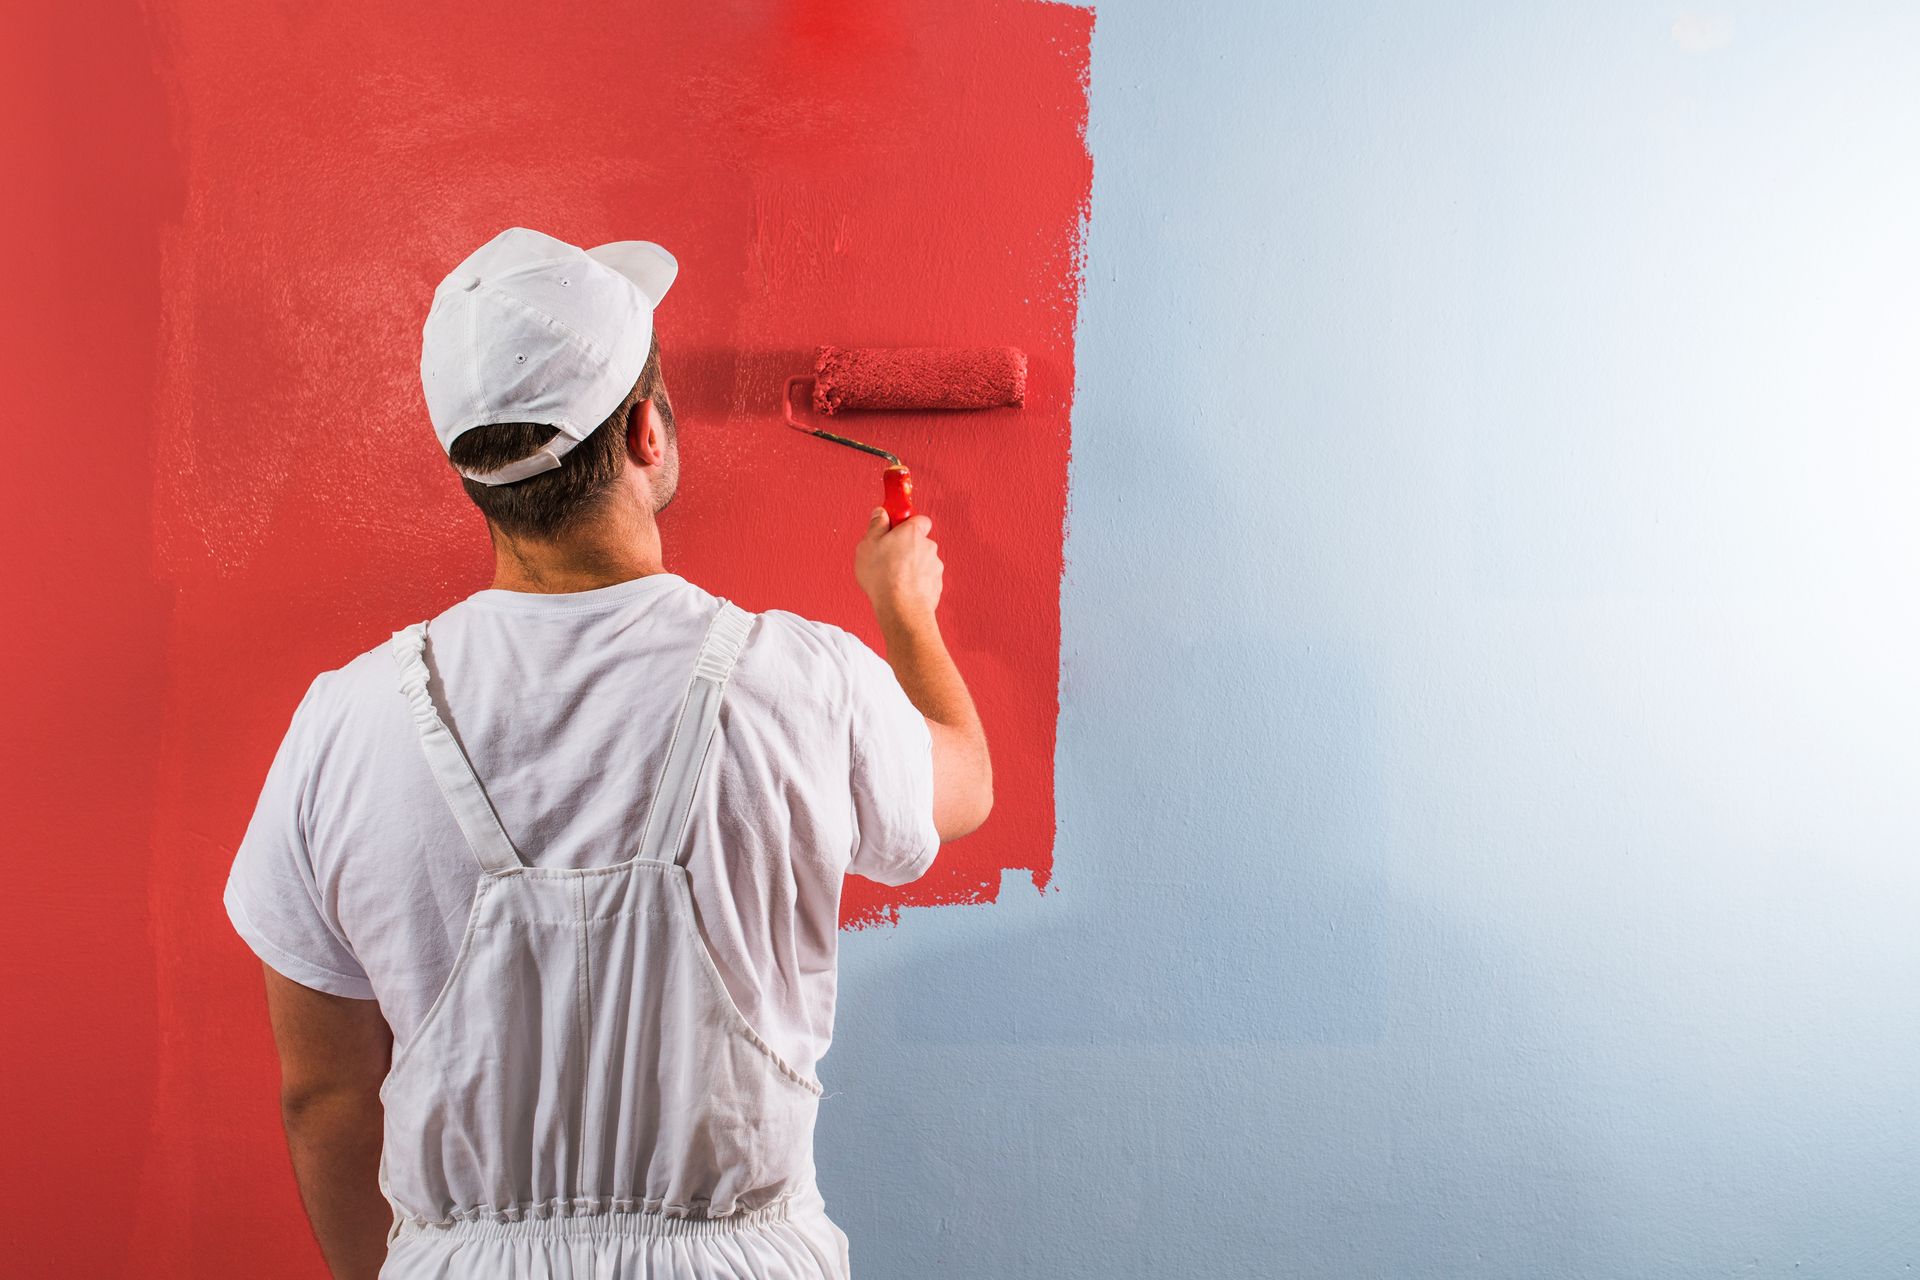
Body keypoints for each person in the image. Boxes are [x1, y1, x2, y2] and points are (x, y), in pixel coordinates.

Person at [222, 226, 994, 1279]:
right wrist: (907, 615)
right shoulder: (801, 678)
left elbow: (322, 1092)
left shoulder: (341, 723)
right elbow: (963, 782)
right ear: (647, 434)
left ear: (470, 468)